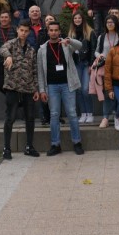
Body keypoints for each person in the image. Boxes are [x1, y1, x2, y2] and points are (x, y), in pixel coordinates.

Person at [37, 21, 85, 156]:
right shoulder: (42, 49)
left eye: (56, 30)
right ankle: (55, 144)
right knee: (54, 115)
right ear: (48, 32)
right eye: (51, 30)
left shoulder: (65, 45)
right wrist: (42, 90)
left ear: (59, 31)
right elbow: (40, 72)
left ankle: (77, 142)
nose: (53, 32)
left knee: (72, 113)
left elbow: (80, 46)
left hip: (67, 85)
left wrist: (69, 40)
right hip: (51, 86)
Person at [0, 23, 42, 159]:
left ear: (29, 33)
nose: (23, 33)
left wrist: (36, 89)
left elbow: (34, 70)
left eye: (26, 31)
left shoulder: (31, 49)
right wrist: (8, 56)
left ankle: (29, 146)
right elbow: (1, 49)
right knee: (10, 118)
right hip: (13, 87)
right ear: (17, 30)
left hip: (28, 88)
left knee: (30, 118)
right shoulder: (11, 44)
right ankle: (6, 148)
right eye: (21, 30)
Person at [67, 9, 96, 123]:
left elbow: (93, 48)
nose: (77, 20)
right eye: (75, 18)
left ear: (83, 19)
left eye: (79, 18)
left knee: (85, 89)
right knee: (78, 90)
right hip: (76, 64)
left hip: (86, 64)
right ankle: (83, 113)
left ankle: (90, 113)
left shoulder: (90, 32)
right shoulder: (71, 34)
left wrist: (91, 64)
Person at [93, 14, 119, 127]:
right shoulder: (102, 36)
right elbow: (96, 51)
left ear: (116, 23)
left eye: (112, 22)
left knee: (118, 91)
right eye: (108, 22)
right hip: (105, 67)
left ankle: (117, 115)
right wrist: (99, 55)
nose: (110, 24)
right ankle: (105, 117)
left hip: (118, 67)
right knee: (107, 92)